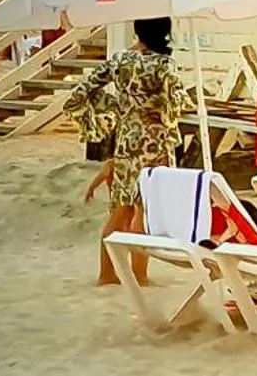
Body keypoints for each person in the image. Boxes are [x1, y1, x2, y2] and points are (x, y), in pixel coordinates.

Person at [66, 16, 192, 285]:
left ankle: (106, 276)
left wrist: (109, 110)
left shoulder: (119, 60)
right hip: (154, 142)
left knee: (119, 211)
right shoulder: (163, 63)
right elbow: (177, 101)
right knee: (143, 210)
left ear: (136, 31)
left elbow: (83, 91)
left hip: (126, 141)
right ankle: (139, 276)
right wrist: (163, 110)